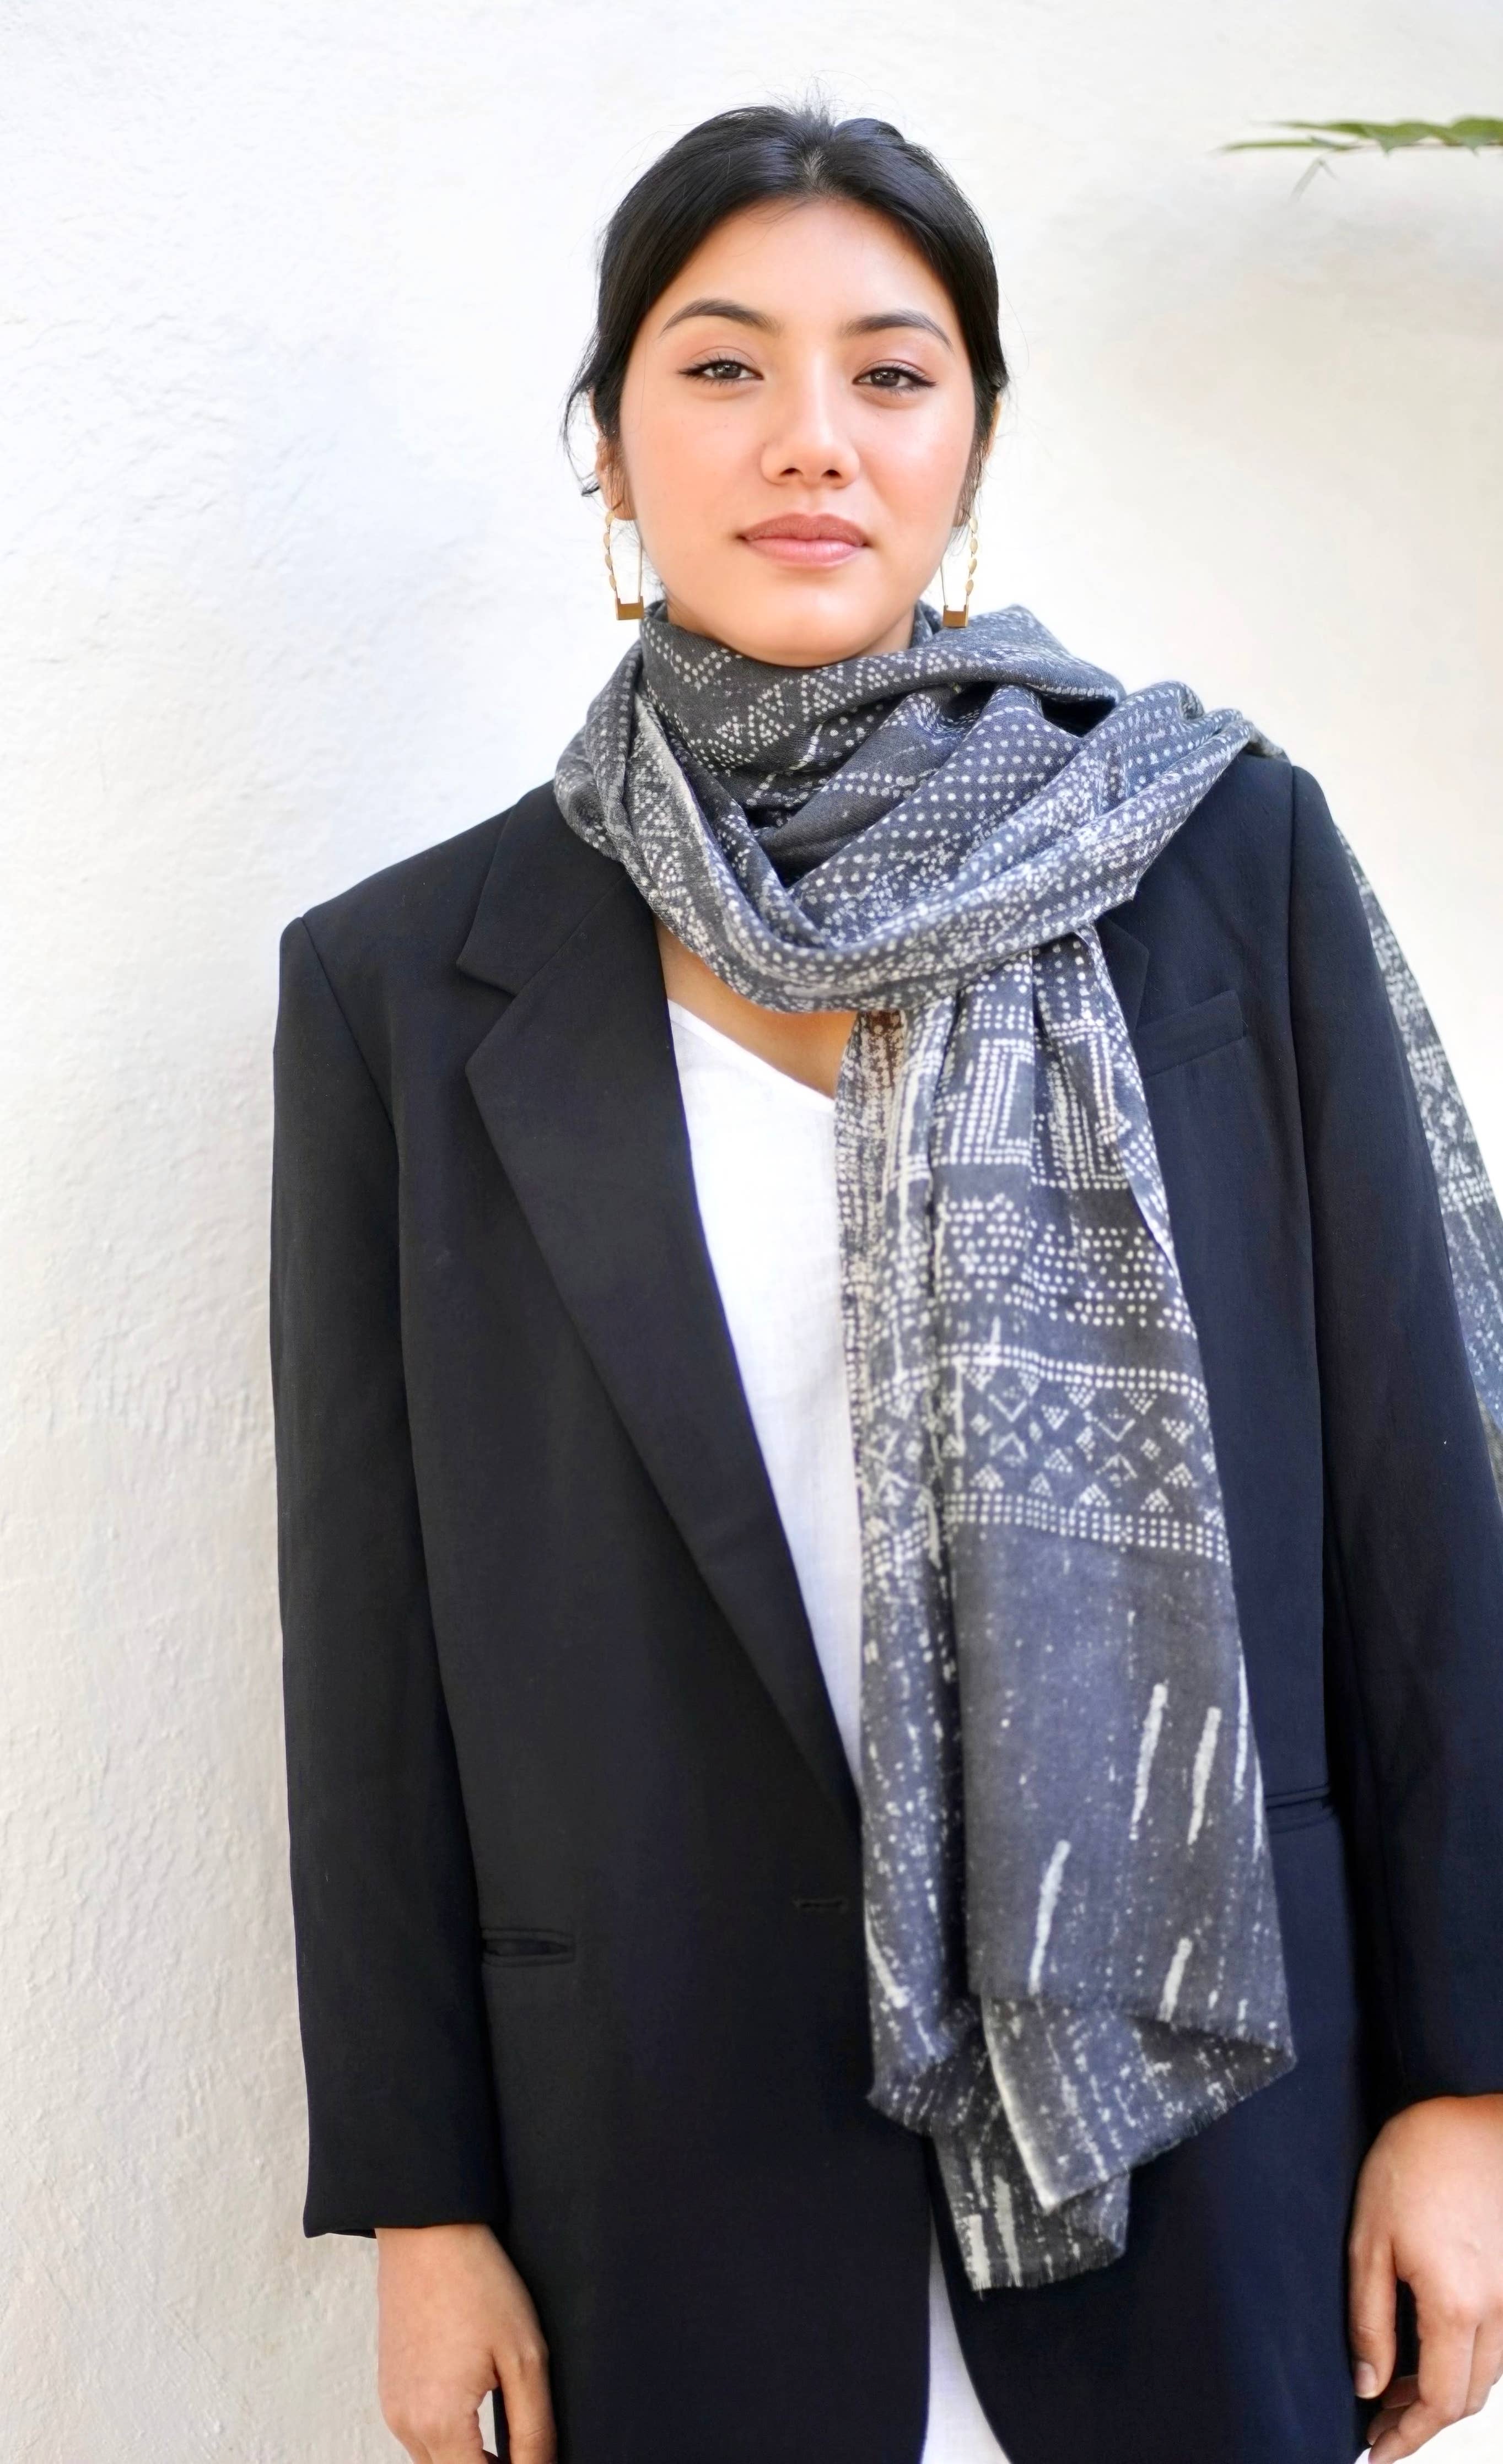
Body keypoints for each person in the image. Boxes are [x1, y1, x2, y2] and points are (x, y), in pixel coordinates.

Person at [268, 101, 1503, 2464]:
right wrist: (425, 2206)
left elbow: (1414, 1502)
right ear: (610, 448)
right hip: (657, 2157)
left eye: (893, 372)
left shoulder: (1219, 862)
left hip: (1209, 2132)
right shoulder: (404, 985)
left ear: (973, 447)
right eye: (723, 366)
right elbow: (372, 1650)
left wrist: (1469, 2088)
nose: (811, 438)